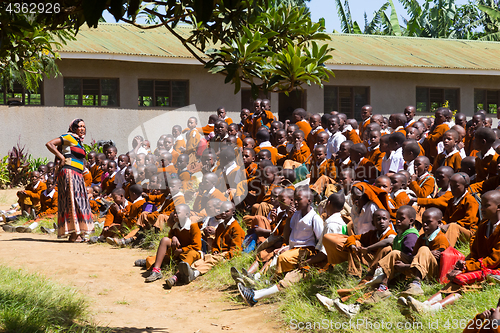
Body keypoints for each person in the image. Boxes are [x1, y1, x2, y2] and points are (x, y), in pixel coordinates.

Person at [45, 118, 94, 242]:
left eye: (84, 126)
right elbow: (50, 144)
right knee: (72, 201)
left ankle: (78, 232)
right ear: (73, 128)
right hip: (69, 172)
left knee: (79, 202)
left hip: (77, 174)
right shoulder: (68, 137)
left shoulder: (78, 142)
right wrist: (61, 156)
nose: (82, 129)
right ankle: (74, 234)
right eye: (79, 126)